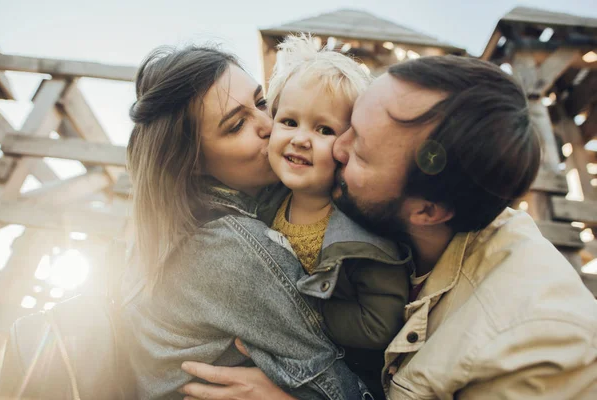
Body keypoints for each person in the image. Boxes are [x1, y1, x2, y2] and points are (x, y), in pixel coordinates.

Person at [179, 55, 597, 399]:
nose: (335, 148)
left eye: (358, 149)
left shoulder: (533, 348)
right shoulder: (386, 217)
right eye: (349, 125)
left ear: (427, 211)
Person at [121, 44, 371, 400]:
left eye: (262, 101)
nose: (271, 125)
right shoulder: (229, 249)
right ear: (192, 162)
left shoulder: (169, 232)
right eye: (237, 125)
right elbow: (346, 393)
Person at [266, 35, 411, 399]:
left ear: (351, 145)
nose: (300, 139)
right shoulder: (265, 204)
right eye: (289, 121)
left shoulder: (364, 233)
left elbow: (380, 323)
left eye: (324, 129)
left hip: (345, 376)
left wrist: (300, 313)